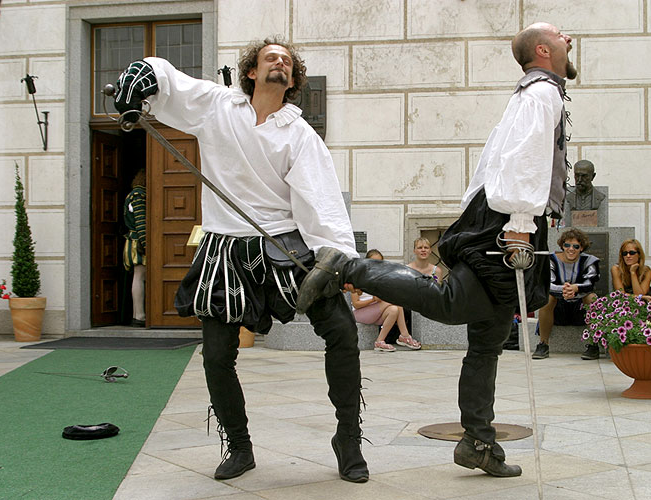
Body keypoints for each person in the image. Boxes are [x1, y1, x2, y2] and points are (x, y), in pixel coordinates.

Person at [297, 22, 576, 478]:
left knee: (487, 340)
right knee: (451, 306)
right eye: (561, 35)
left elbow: (494, 162)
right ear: (543, 50)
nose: (570, 39)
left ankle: (478, 443)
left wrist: (491, 218)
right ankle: (346, 264)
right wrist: (520, 224)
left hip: (501, 217)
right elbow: (521, 158)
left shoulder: (536, 92)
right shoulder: (542, 92)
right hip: (510, 223)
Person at [113, 37, 369, 483]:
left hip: (286, 246)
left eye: (286, 61)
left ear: (292, 79)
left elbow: (321, 200)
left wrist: (340, 258)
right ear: (251, 70)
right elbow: (173, 85)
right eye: (271, 57)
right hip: (224, 247)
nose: (279, 63)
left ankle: (347, 438)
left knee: (343, 333)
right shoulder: (218, 106)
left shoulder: (299, 134)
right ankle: (239, 445)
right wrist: (145, 75)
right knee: (216, 356)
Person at [532, 228, 599, 360]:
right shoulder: (550, 259)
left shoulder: (590, 261)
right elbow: (547, 283)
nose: (571, 249)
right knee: (547, 298)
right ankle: (543, 344)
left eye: (576, 246)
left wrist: (575, 288)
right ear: (562, 245)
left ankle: (593, 345)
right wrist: (566, 290)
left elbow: (590, 283)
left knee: (592, 298)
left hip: (579, 309)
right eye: (567, 245)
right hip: (558, 308)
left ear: (581, 248)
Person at [351, 249, 421, 352]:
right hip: (360, 313)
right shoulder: (358, 278)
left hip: (377, 312)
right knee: (395, 302)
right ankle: (405, 335)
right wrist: (373, 299)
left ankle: (380, 341)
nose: (377, 265)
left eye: (380, 262)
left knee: (394, 310)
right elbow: (356, 304)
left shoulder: (381, 278)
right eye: (373, 261)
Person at [122, 169, 146, 327]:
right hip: (138, 242)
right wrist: (146, 243)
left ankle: (138, 314)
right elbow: (141, 221)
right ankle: (139, 315)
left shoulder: (133, 194)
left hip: (134, 240)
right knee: (139, 277)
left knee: (139, 277)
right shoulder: (138, 195)